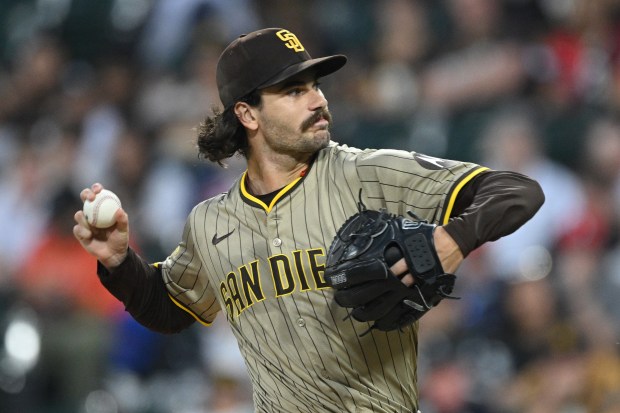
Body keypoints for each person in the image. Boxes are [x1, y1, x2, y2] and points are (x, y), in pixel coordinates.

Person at [73, 28, 544, 413]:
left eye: (316, 85)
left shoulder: (366, 172)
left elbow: (518, 192)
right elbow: (170, 308)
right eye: (294, 90)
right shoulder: (209, 222)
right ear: (247, 114)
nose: (318, 100)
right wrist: (119, 262)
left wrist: (448, 241)